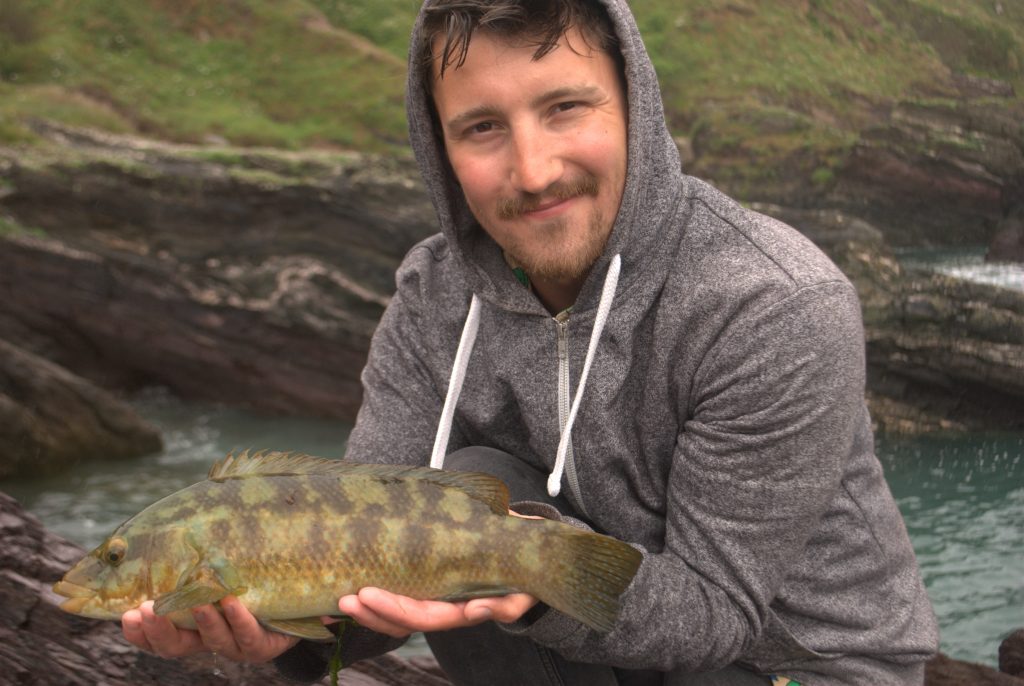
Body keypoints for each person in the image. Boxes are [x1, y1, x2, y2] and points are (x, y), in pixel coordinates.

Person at [121, 0, 941, 683]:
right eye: (482, 127)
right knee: (460, 493)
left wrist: (533, 585)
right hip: (586, 636)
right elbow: (361, 550)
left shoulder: (773, 303)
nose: (535, 168)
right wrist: (285, 638)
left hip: (794, 662)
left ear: (635, 105)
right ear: (438, 149)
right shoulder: (432, 297)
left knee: (495, 533)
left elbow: (716, 615)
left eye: (565, 107)